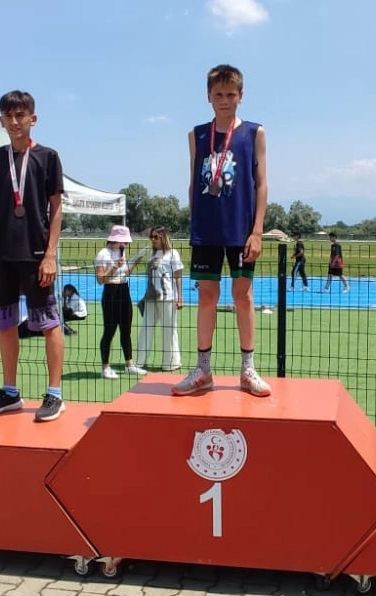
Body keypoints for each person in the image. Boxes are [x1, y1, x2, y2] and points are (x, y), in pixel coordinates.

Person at [173, 64, 271, 397]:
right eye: (218, 94)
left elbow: (261, 184)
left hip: (241, 229)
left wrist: (257, 231)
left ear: (241, 96)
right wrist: (196, 223)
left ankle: (248, 369)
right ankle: (203, 370)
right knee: (206, 297)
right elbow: (193, 183)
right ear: (208, 97)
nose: (224, 100)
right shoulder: (197, 135)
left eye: (231, 94)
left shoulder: (254, 133)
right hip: (207, 230)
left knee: (243, 296)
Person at [0, 90, 66, 423]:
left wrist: (50, 254)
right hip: (2, 255)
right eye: (8, 116)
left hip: (36, 253)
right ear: (1, 120)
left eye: (20, 115)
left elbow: (56, 209)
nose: (14, 122)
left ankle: (54, 393)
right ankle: (10, 392)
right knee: (5, 323)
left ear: (32, 119)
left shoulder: (48, 157)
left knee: (49, 323)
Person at [95, 224, 147, 379]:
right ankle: (105, 367)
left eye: (126, 242)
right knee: (109, 330)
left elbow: (125, 273)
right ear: (114, 240)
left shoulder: (121, 252)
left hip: (124, 291)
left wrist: (135, 261)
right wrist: (114, 267)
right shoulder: (103, 254)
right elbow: (100, 279)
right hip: (111, 292)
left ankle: (129, 364)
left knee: (126, 329)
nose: (126, 244)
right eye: (123, 241)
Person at [138, 226, 184, 371]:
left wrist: (180, 297)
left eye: (155, 237)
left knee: (169, 330)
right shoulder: (152, 254)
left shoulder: (173, 254)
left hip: (167, 297)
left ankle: (171, 363)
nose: (152, 240)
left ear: (163, 238)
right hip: (150, 298)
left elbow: (178, 276)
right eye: (151, 237)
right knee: (146, 329)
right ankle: (140, 361)